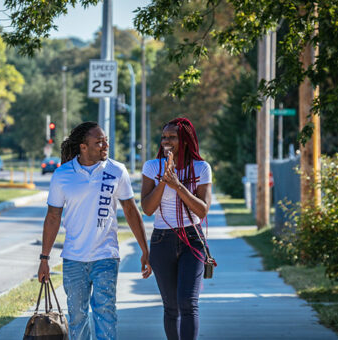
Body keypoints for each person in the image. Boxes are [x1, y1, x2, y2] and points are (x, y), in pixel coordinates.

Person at [38, 121, 152, 340]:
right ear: (83, 146)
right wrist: (44, 258)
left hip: (106, 256)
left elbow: (130, 210)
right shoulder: (62, 175)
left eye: (106, 141)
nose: (104, 146)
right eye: (99, 142)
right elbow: (53, 217)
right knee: (77, 318)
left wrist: (144, 249)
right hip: (73, 259)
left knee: (105, 314)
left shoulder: (116, 170)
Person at [140, 117, 213, 340]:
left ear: (185, 140)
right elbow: (148, 209)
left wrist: (178, 185)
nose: (166, 141)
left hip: (192, 238)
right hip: (162, 240)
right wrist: (164, 180)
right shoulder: (152, 167)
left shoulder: (201, 168)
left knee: (188, 303)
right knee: (171, 306)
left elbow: (202, 210)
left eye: (172, 137)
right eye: (163, 137)